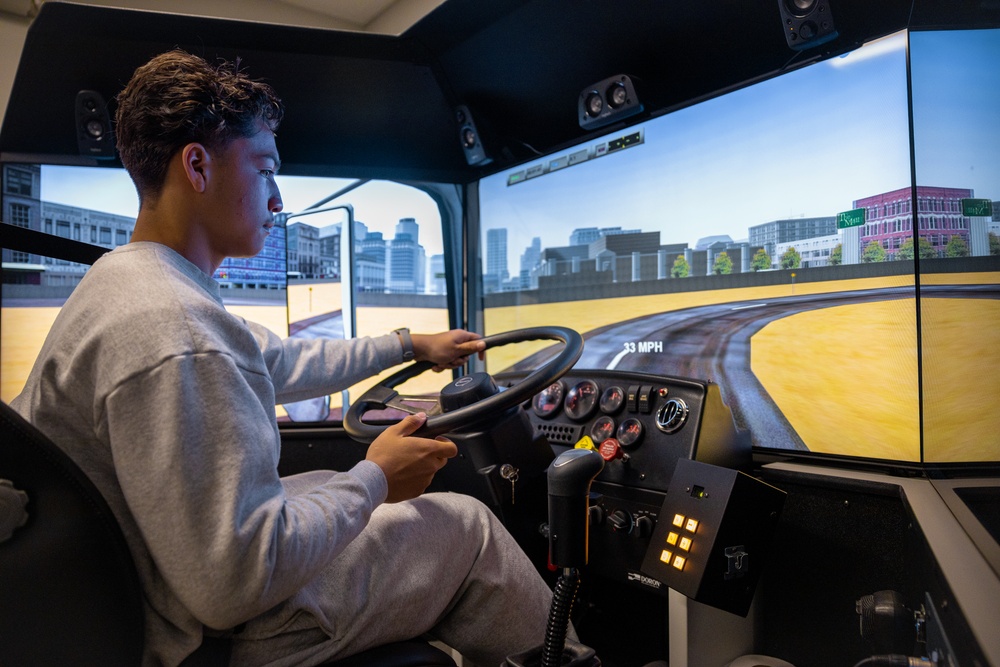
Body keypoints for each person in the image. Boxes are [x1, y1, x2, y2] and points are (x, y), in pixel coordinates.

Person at [11, 49, 555, 666]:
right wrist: (376, 478)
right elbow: (233, 583)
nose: (277, 200)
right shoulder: (178, 330)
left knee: (323, 482)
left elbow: (279, 360)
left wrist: (410, 346)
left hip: (149, 590)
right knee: (467, 525)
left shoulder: (131, 284)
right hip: (203, 637)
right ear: (197, 166)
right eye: (265, 169)